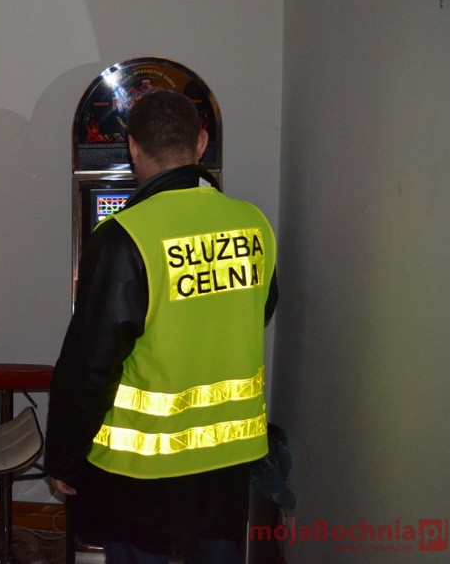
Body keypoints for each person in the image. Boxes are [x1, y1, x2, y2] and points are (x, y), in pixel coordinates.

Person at [45, 89, 278, 564]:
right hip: (229, 459)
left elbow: (91, 366)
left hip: (143, 469)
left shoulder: (123, 236)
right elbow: (260, 307)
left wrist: (64, 458)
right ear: (201, 143)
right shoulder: (253, 224)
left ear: (133, 147)